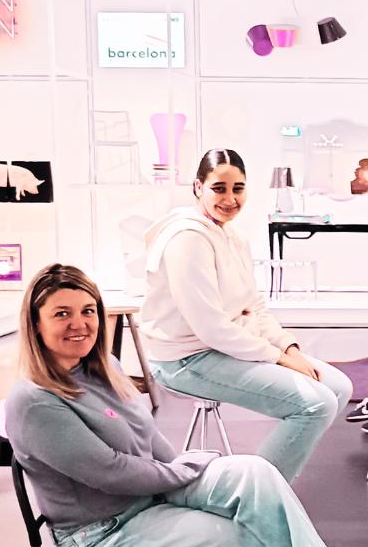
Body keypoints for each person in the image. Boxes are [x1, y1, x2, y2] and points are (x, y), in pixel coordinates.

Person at [6, 264, 368, 547]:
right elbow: (112, 473)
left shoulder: (104, 368)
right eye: (61, 314)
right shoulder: (34, 401)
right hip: (102, 538)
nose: (79, 324)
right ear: (35, 324)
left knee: (255, 472)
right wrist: (183, 472)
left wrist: (182, 473)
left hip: (148, 501)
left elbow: (148, 440)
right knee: (257, 544)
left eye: (88, 311)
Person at [141, 148, 351, 482]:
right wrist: (278, 359)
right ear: (198, 187)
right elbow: (211, 328)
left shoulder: (233, 235)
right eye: (218, 188)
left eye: (237, 188)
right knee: (316, 405)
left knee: (338, 387)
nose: (230, 199)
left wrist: (289, 348)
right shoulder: (187, 239)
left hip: (221, 348)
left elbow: (254, 306)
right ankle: (255, 493)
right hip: (185, 359)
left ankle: (268, 484)